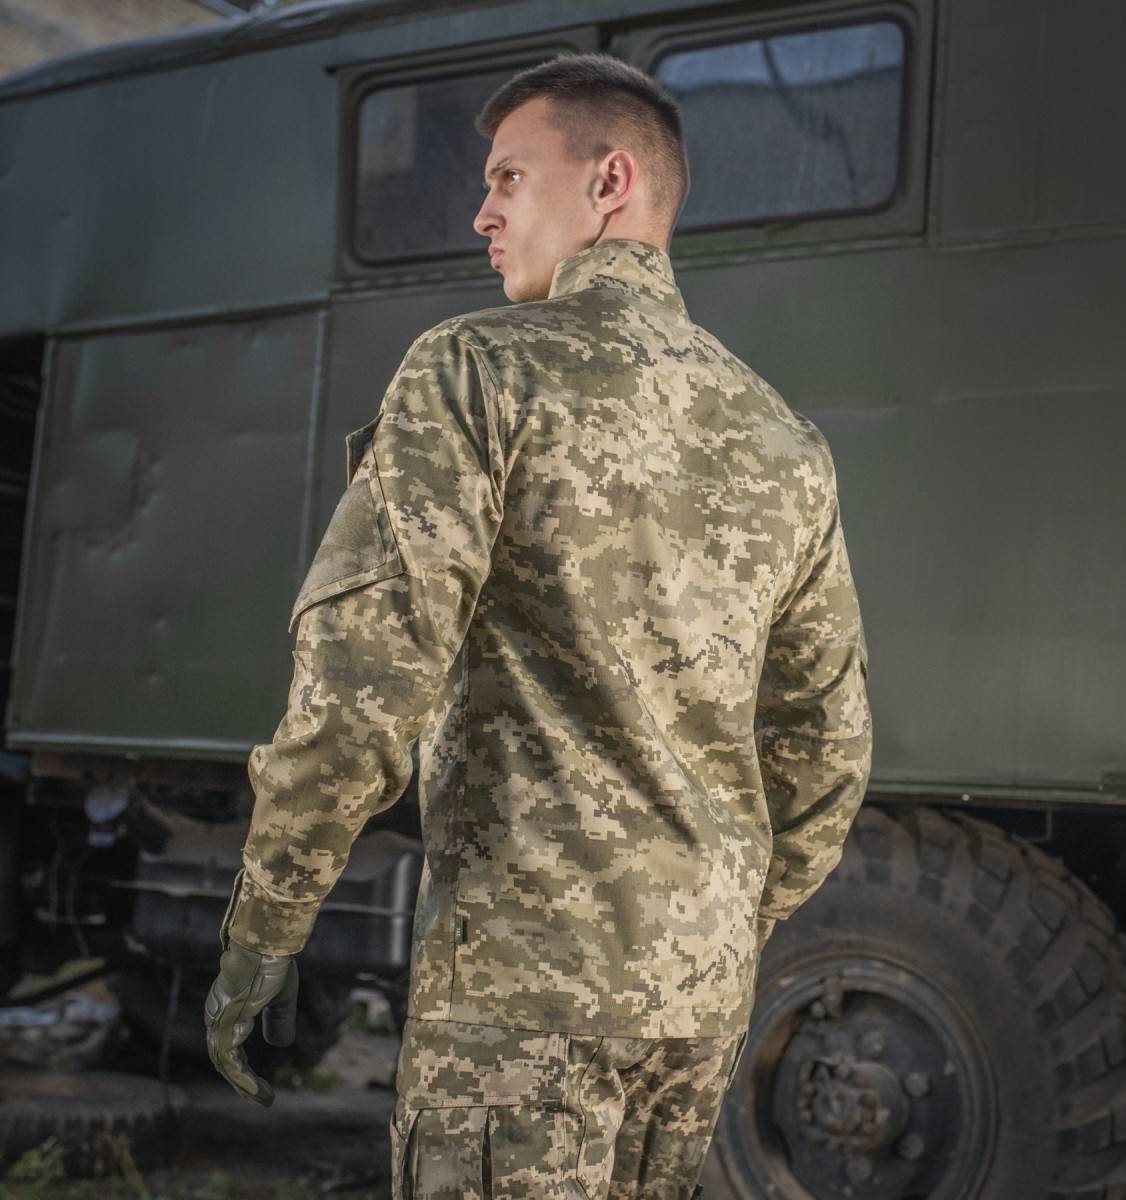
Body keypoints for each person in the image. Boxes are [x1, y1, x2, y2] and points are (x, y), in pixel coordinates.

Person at [205, 53, 871, 1199]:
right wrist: (713, 924)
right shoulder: (785, 440)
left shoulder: (475, 369)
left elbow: (362, 690)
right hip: (696, 1008)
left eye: (509, 177)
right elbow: (826, 749)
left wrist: (267, 923)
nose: (483, 212)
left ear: (610, 182)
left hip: (520, 997)